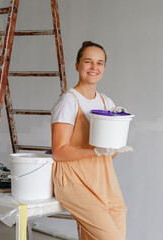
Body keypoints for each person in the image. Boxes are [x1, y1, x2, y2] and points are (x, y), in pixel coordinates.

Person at [51, 41, 132, 240]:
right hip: (73, 180)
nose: (94, 68)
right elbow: (59, 151)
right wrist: (95, 151)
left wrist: (113, 146)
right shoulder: (68, 101)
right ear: (77, 65)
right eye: (88, 62)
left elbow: (109, 154)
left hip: (103, 180)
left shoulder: (107, 102)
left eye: (100, 63)